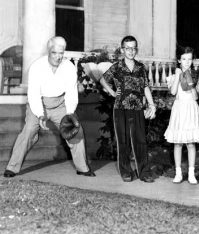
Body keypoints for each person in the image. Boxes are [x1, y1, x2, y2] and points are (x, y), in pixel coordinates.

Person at [3, 36, 95, 178]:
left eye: (61, 53)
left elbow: (71, 93)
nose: (58, 57)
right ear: (48, 51)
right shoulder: (36, 66)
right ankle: (12, 167)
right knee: (29, 131)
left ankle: (82, 167)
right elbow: (33, 94)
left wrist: (70, 113)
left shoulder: (69, 67)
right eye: (54, 53)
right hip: (39, 103)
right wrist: (40, 115)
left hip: (60, 104)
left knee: (76, 131)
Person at [99, 35, 156, 183]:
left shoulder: (140, 67)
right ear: (122, 49)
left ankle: (144, 172)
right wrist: (112, 92)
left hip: (137, 107)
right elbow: (102, 79)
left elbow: (145, 87)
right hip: (120, 107)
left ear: (136, 49)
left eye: (134, 48)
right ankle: (126, 171)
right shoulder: (117, 67)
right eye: (128, 48)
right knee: (123, 141)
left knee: (140, 140)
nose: (131, 51)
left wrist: (152, 104)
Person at [164, 46, 199, 185]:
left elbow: (196, 97)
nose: (187, 62)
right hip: (179, 109)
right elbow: (174, 92)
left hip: (191, 108)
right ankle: (178, 173)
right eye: (184, 59)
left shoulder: (196, 75)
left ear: (192, 61)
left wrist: (191, 82)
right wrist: (178, 76)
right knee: (178, 143)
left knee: (191, 143)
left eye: (189, 59)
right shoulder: (174, 76)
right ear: (179, 60)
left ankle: (191, 174)